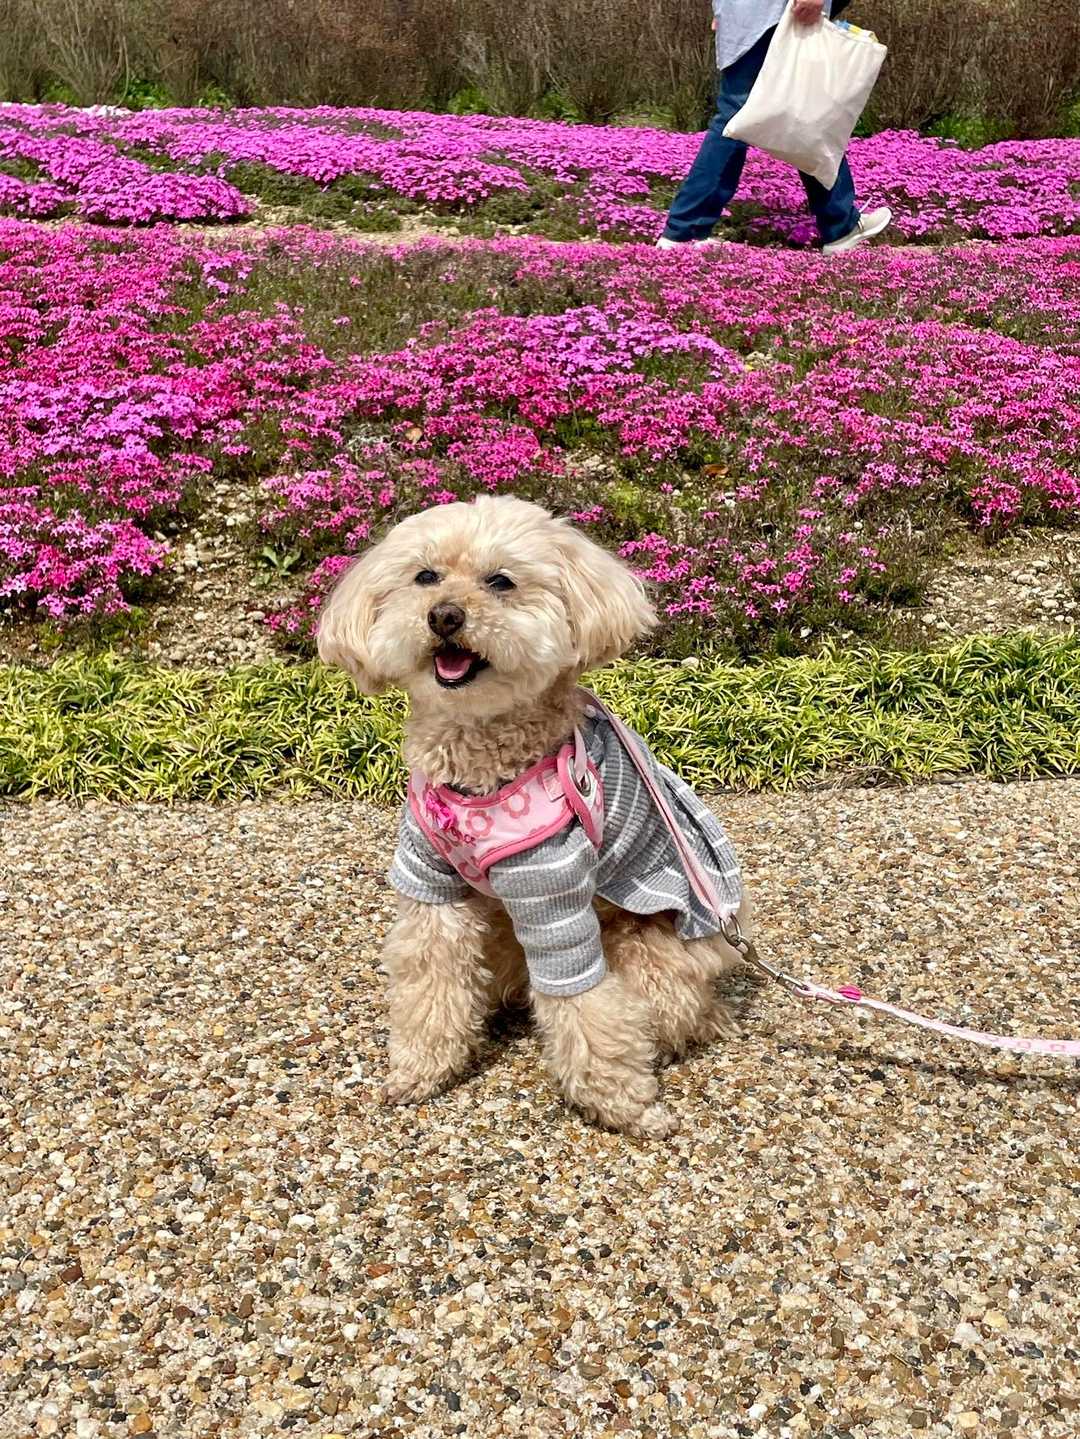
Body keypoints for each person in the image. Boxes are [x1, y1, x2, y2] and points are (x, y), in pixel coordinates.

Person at [658, 0, 890, 255]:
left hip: (744, 15)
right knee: (792, 114)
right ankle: (684, 231)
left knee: (798, 113)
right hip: (773, 13)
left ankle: (839, 224)